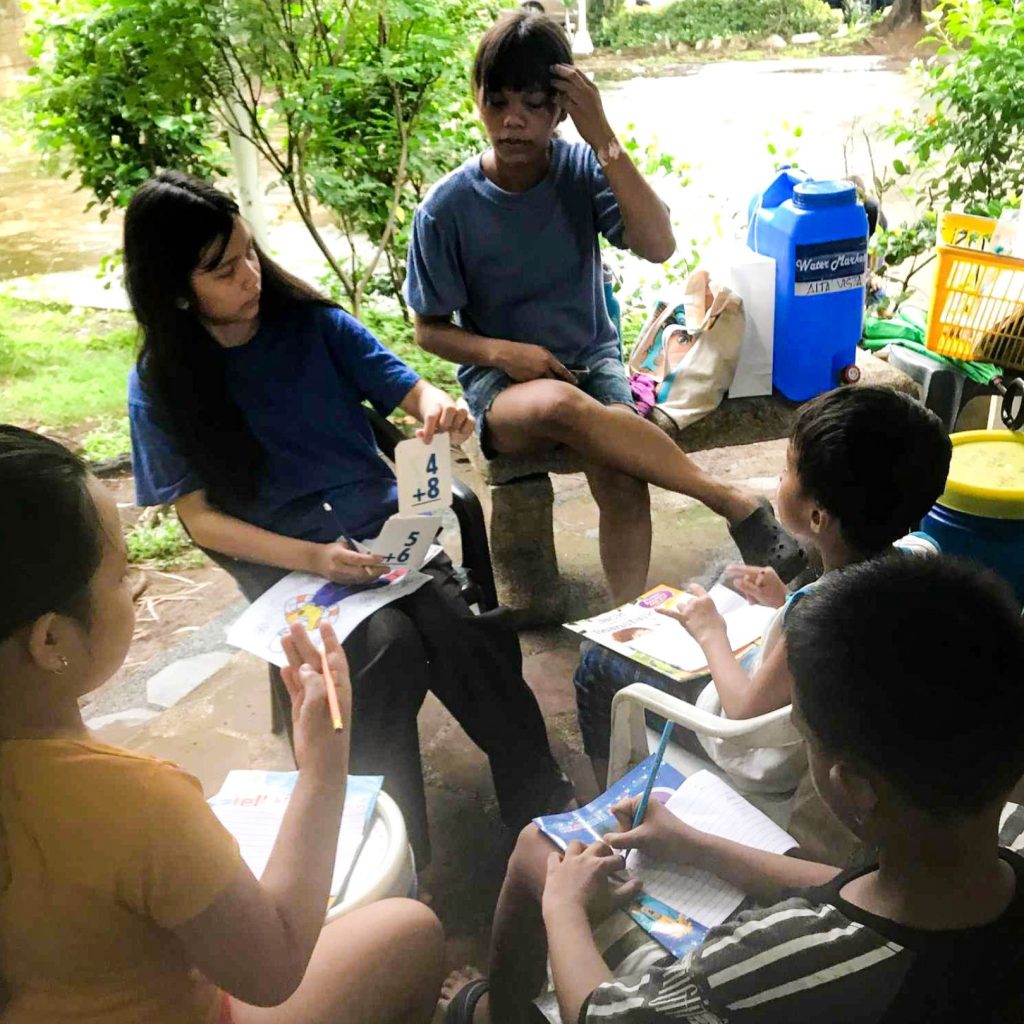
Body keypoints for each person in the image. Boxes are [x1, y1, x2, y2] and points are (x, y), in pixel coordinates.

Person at [124, 172, 573, 866]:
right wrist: (313, 559)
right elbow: (201, 521)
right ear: (178, 290)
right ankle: (397, 856)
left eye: (248, 253)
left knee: (464, 634)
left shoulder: (312, 325)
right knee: (386, 652)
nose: (250, 276)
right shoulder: (162, 384)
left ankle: (542, 805)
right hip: (291, 569)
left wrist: (434, 410)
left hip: (388, 538)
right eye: (223, 269)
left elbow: (409, 387)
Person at [441, 556, 1024, 1024]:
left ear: (853, 786)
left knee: (535, 853)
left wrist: (563, 907)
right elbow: (870, 892)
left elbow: (607, 1015)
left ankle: (495, 1011)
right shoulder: (994, 850)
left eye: (809, 739)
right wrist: (696, 846)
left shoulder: (784, 958)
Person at [0, 425, 444, 1024]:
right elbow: (272, 968)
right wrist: (324, 766)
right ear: (51, 639)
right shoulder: (136, 802)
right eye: (122, 574)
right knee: (409, 928)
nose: (140, 584)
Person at [405, 10, 804, 604]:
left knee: (622, 481)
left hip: (592, 366)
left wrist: (604, 137)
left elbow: (658, 245)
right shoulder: (446, 209)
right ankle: (731, 501)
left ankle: (627, 620)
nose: (513, 120)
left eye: (535, 103)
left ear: (563, 108)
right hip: (503, 391)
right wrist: (503, 352)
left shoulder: (580, 169)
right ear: (478, 99)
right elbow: (427, 330)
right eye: (499, 101)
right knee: (564, 405)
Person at [574, 386, 951, 792]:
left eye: (788, 471)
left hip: (760, 756)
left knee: (595, 663)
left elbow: (741, 715)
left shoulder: (815, 615)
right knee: (726, 579)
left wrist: (709, 632)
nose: (779, 478)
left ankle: (603, 801)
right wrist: (782, 601)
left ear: (818, 517)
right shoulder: (920, 558)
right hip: (832, 713)